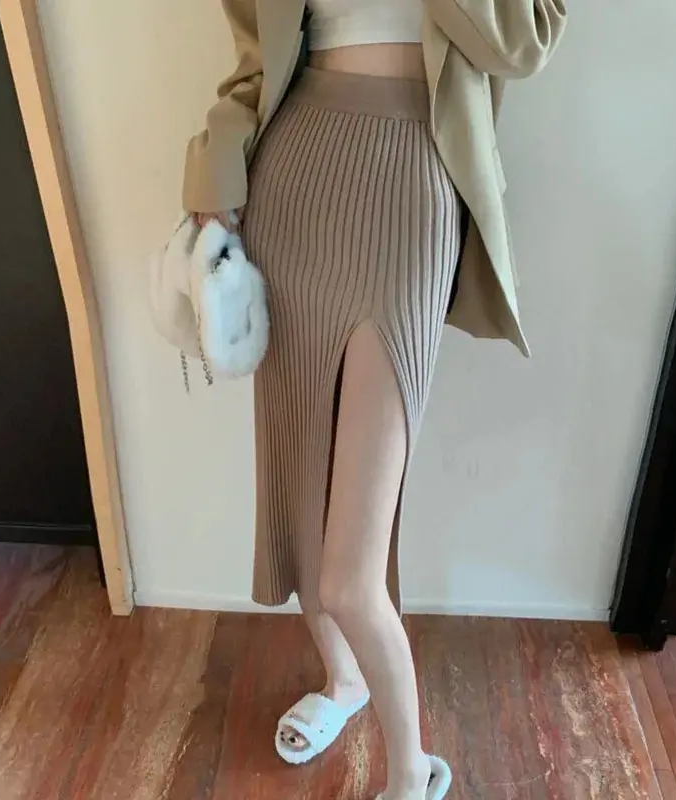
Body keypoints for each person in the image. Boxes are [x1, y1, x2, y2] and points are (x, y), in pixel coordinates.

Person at [184, 2, 567, 798]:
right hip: (294, 179)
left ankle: (412, 771)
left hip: (414, 183)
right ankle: (345, 680)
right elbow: (256, 64)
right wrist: (214, 178)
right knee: (300, 495)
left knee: (349, 576)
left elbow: (524, 41)